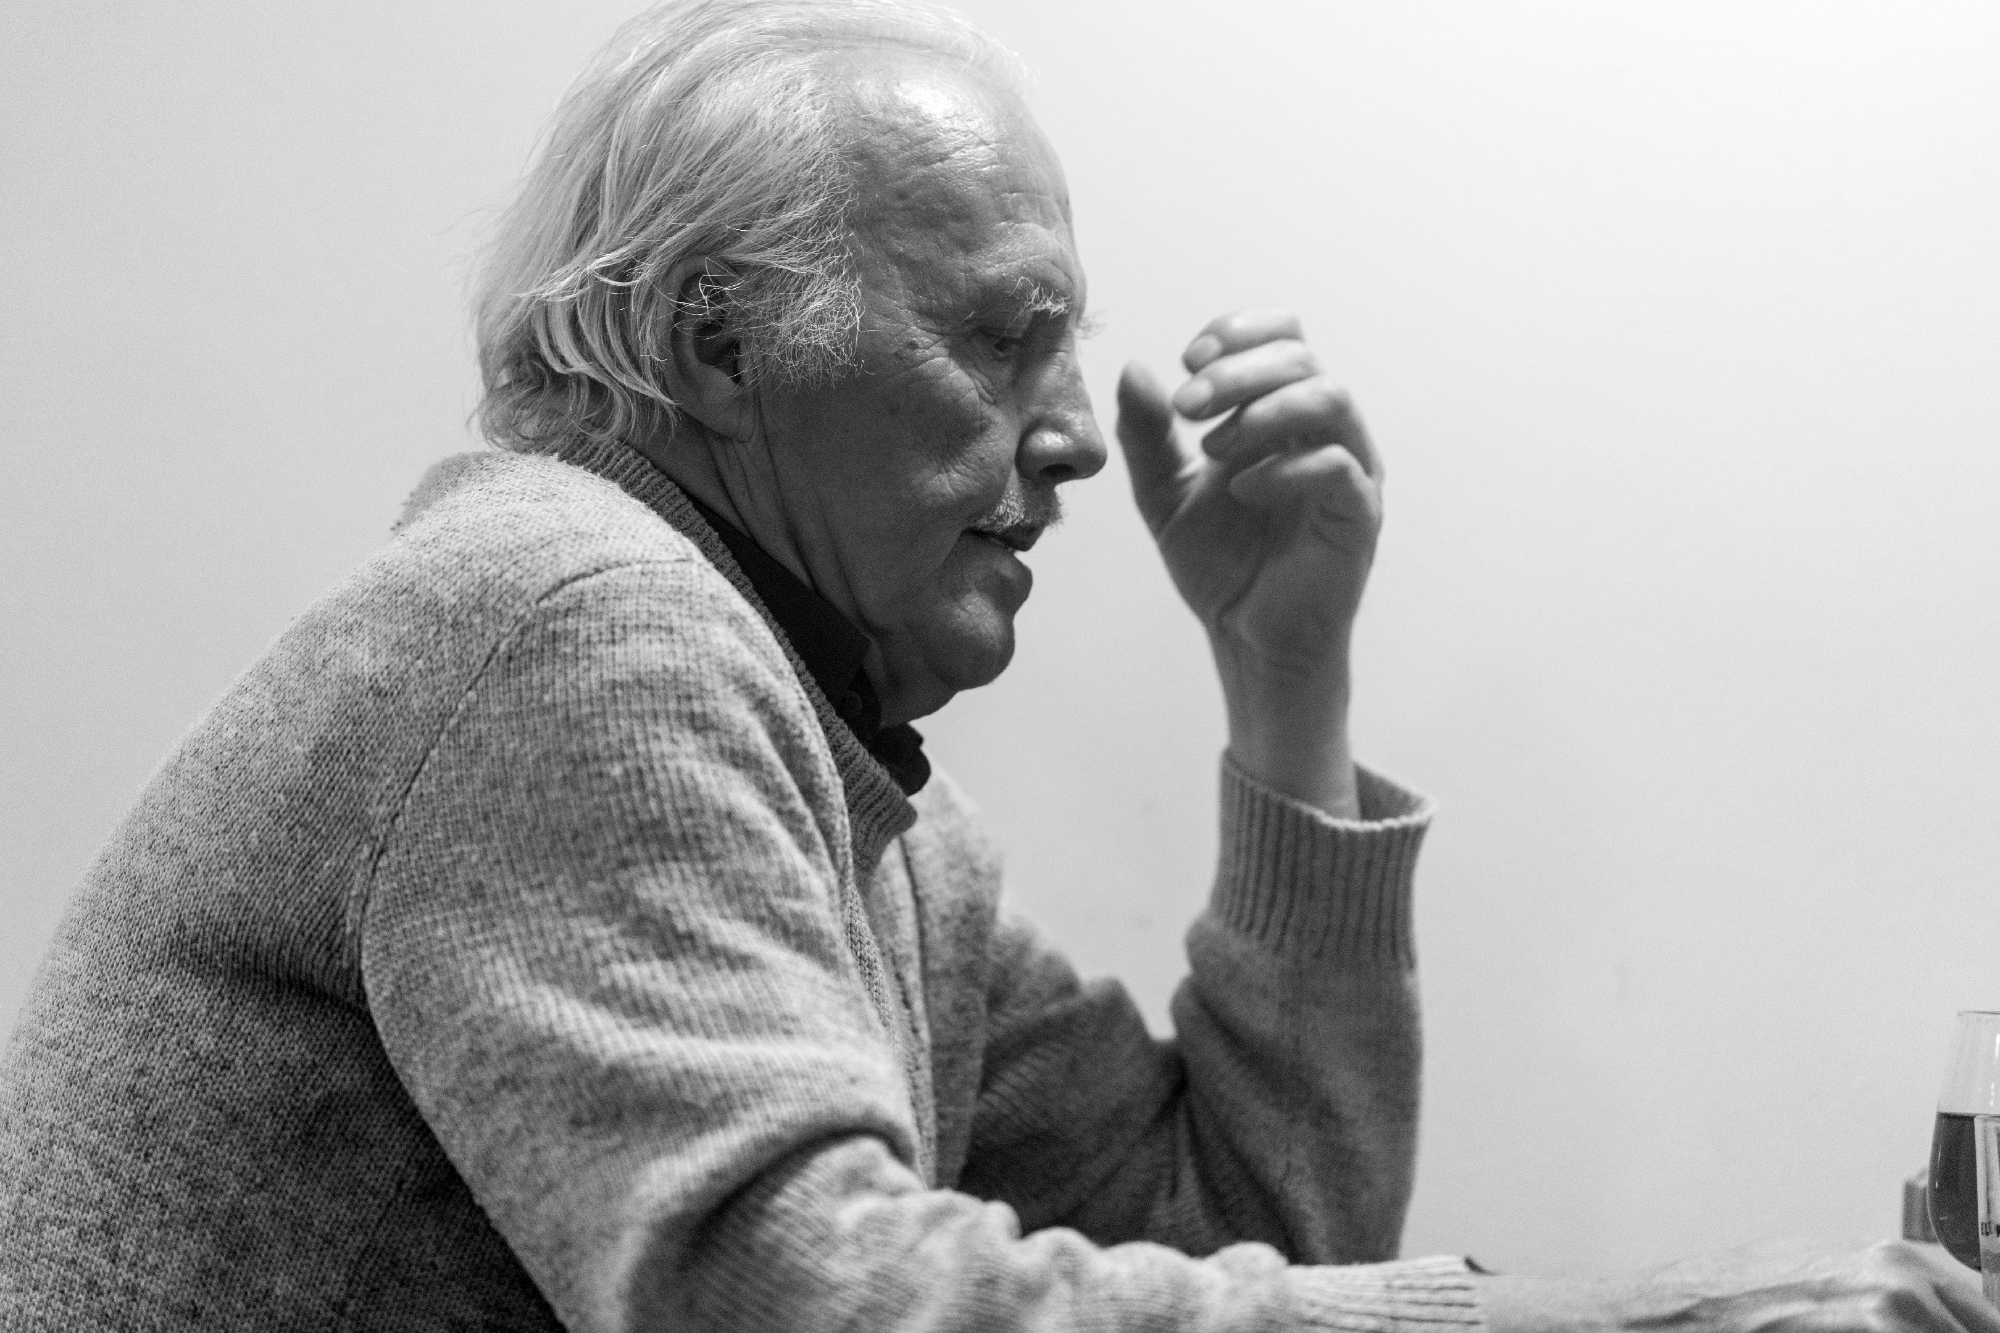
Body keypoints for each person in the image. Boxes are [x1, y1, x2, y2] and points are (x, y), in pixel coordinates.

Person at [0, 3, 1989, 1332]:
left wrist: (1284, 682)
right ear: (712, 341)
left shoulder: (851, 787)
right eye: (1000, 332)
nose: (1072, 433)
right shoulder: (574, 628)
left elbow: (1258, 1238)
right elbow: (799, 1301)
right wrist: (1639, 1316)